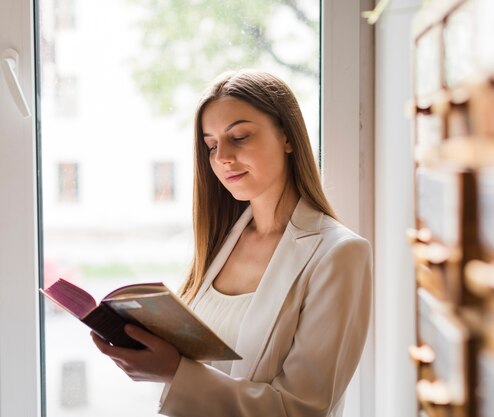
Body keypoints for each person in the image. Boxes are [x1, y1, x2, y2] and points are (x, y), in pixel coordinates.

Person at [91, 69, 372, 417]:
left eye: (238, 136)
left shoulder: (338, 254)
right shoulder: (220, 242)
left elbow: (303, 409)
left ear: (287, 137)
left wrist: (174, 373)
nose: (222, 156)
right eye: (211, 145)